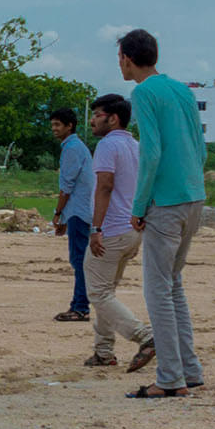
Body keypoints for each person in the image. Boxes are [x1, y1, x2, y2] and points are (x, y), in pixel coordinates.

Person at [119, 29, 206, 398]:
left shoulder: (142, 92)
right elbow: (200, 146)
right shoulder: (182, 89)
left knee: (158, 290)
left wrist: (139, 207)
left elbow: (150, 153)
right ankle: (188, 369)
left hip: (166, 203)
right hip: (193, 196)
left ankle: (170, 378)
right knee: (173, 285)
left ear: (127, 58)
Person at [81, 94, 154, 371]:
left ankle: (145, 337)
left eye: (97, 114)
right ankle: (103, 352)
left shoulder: (107, 145)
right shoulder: (135, 146)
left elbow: (105, 186)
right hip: (132, 229)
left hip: (110, 230)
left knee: (99, 294)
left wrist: (96, 228)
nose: (92, 119)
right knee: (106, 292)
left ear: (113, 118)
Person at [49, 106, 91, 322]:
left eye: (58, 125)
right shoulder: (75, 147)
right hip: (78, 211)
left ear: (69, 126)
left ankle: (81, 307)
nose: (54, 129)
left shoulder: (72, 148)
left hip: (79, 211)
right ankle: (79, 304)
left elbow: (67, 186)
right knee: (80, 259)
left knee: (79, 259)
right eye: (53, 125)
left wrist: (58, 214)